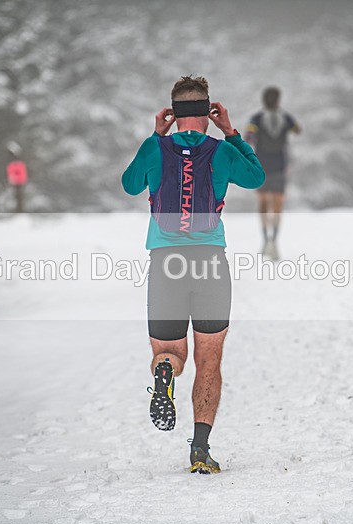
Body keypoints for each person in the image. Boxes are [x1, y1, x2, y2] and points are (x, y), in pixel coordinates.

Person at [121, 76, 264, 474]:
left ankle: (165, 372)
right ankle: (200, 449)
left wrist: (154, 135)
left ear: (172, 111)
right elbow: (257, 177)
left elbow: (130, 184)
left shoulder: (156, 147)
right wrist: (231, 132)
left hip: (166, 262)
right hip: (209, 262)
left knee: (171, 353)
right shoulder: (221, 151)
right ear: (207, 112)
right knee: (209, 359)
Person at [245, 86, 301, 260]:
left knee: (262, 205)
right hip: (280, 165)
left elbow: (248, 137)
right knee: (277, 206)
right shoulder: (286, 118)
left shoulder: (256, 118)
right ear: (278, 100)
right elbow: (298, 130)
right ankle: (274, 242)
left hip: (261, 166)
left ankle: (265, 239)